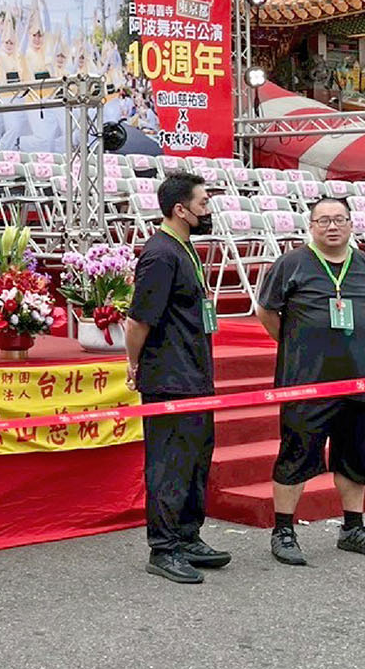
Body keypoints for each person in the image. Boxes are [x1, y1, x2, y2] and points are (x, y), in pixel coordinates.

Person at [255, 195, 365, 566]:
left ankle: (353, 528)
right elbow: (267, 312)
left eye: (339, 219)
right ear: (311, 226)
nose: (332, 226)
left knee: (356, 457)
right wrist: (295, 343)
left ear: (351, 224)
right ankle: (283, 530)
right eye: (323, 221)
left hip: (361, 381)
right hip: (307, 380)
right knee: (296, 454)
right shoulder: (291, 264)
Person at [124, 172, 226, 584]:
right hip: (169, 376)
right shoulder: (161, 254)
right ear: (180, 210)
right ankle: (163, 548)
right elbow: (138, 321)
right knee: (169, 463)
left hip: (195, 371)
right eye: (203, 203)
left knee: (196, 459)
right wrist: (135, 365)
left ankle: (188, 536)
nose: (208, 210)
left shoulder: (185, 248)